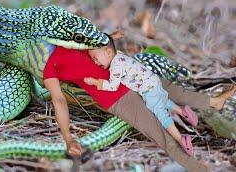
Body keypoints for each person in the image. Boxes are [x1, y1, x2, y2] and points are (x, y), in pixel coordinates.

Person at [43, 35, 235, 171]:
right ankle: (194, 166)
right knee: (157, 129)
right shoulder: (49, 68)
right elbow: (59, 100)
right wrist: (68, 138)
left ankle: (213, 102)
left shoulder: (77, 38)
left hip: (133, 77)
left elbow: (102, 43)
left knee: (177, 91)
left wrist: (112, 37)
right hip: (118, 97)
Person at [83, 35, 197, 156]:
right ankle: (182, 110)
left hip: (147, 90)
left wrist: (95, 82)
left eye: (95, 58)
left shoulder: (116, 67)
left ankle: (181, 139)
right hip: (153, 81)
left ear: (109, 52)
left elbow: (112, 86)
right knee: (162, 100)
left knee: (162, 116)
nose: (95, 62)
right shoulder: (121, 56)